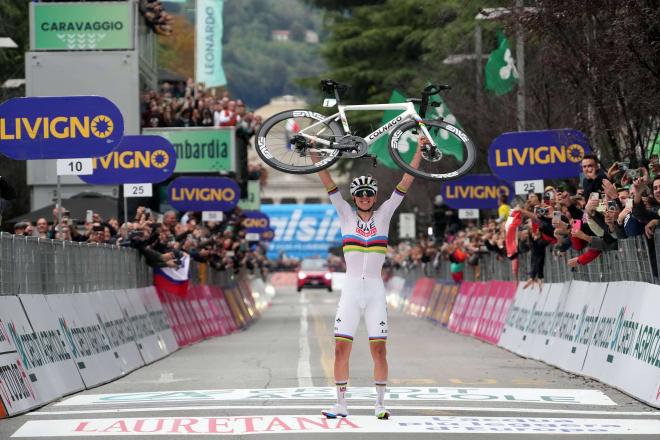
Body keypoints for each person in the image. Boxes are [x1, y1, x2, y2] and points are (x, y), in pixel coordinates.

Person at [312, 136, 426, 420]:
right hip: (351, 290)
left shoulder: (385, 214)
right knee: (340, 349)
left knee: (379, 351)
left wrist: (419, 153)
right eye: (360, 194)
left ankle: (379, 404)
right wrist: (314, 155)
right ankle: (340, 405)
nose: (364, 197)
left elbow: (406, 181)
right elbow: (327, 183)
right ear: (354, 198)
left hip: (375, 291)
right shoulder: (345, 214)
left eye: (369, 194)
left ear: (374, 197)